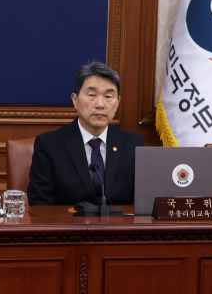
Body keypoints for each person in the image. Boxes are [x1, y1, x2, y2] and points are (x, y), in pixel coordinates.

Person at [27, 62, 145, 205]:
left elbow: (141, 203)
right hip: (67, 220)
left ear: (118, 102)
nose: (100, 104)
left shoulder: (133, 144)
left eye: (108, 96)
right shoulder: (49, 145)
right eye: (92, 95)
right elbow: (41, 206)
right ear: (75, 100)